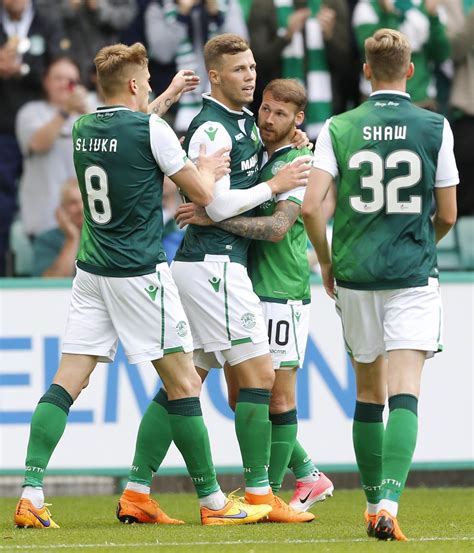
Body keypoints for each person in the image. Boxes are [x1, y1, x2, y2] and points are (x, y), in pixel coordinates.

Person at [13, 42, 272, 529]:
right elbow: (199, 193)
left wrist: (169, 96)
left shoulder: (86, 127)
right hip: (138, 274)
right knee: (184, 382)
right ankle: (213, 502)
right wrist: (210, 171)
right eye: (149, 80)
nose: (152, 85)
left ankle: (30, 490)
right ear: (134, 84)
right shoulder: (151, 129)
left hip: (91, 273)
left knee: (67, 381)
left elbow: (134, 130)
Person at [302, 28, 458, 540]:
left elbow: (309, 207)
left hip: (356, 273)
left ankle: (371, 506)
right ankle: (390, 502)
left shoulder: (341, 126)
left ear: (366, 71)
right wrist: (420, 238)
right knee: (406, 392)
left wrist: (326, 262)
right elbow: (450, 213)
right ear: (410, 70)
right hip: (411, 272)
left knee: (368, 393)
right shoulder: (435, 126)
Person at [171, 34, 314, 523]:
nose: (250, 76)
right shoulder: (213, 128)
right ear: (215, 75)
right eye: (239, 70)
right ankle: (259, 495)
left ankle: (138, 489)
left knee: (185, 381)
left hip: (221, 266)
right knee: (259, 379)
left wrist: (294, 136)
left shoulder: (246, 126)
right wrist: (274, 184)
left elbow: (223, 203)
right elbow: (214, 201)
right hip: (215, 267)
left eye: (252, 67)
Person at [0, 0, 70, 275]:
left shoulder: (48, 19)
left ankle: (43, 268)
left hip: (41, 120)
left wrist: (23, 69)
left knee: (52, 198)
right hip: (2, 129)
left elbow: (60, 66)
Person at [16, 56, 89, 241]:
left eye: (71, 81)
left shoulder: (88, 116)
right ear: (45, 81)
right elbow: (38, 144)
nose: (65, 84)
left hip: (85, 223)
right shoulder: (30, 112)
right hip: (44, 222)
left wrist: (88, 115)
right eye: (59, 78)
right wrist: (65, 111)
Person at [32, 178, 83, 277]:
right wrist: (71, 239)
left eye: (84, 201)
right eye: (73, 202)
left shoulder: (106, 237)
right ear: (62, 208)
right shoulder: (46, 240)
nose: (81, 208)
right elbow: (50, 283)